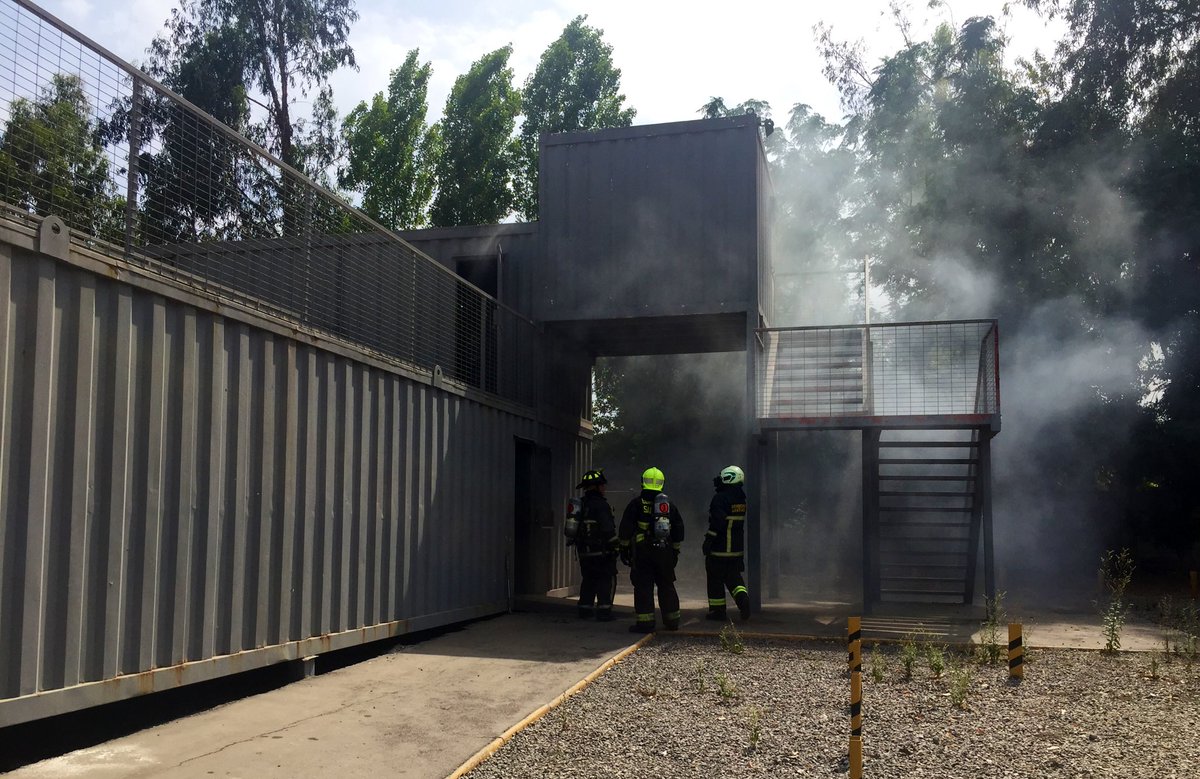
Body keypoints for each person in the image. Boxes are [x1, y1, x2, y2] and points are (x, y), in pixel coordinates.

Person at [618, 467, 685, 633]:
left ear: (643, 482)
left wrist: (624, 549)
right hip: (665, 552)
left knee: (643, 586)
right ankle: (672, 621)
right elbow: (678, 530)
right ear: (662, 483)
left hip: (643, 553)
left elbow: (625, 529)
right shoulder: (668, 505)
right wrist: (675, 551)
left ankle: (645, 623)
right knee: (667, 585)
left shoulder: (636, 504)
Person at [703, 465, 750, 622]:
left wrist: (709, 540)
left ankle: (718, 612)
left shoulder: (720, 498)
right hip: (736, 550)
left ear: (729, 478)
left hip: (720, 548)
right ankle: (743, 601)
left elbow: (717, 522)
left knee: (715, 579)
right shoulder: (741, 499)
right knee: (734, 579)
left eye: (723, 477)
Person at [571, 469, 619, 621]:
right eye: (602, 485)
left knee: (589, 580)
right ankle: (604, 612)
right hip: (601, 552)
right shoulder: (601, 505)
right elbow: (608, 530)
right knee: (606, 580)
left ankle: (585, 610)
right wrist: (616, 548)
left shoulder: (582, 504)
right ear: (597, 487)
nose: (604, 488)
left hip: (584, 552)